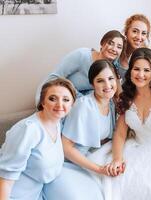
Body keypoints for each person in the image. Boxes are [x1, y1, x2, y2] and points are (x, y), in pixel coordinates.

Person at [89, 48, 151, 200]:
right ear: (130, 71)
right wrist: (117, 158)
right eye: (136, 69)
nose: (140, 74)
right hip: (135, 148)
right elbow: (120, 134)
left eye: (146, 70)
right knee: (117, 178)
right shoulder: (126, 97)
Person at [43, 59, 119, 200]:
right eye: (100, 80)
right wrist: (99, 169)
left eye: (110, 78)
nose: (107, 85)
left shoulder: (112, 104)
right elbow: (66, 148)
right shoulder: (84, 105)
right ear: (92, 84)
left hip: (92, 159)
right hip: (68, 164)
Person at [0, 78, 76, 200]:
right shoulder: (28, 130)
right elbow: (5, 179)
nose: (60, 105)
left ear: (72, 105)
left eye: (66, 100)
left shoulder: (57, 123)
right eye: (52, 98)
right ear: (43, 102)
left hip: (36, 194)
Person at [36, 30, 125, 103]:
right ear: (102, 43)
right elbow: (55, 77)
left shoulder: (112, 67)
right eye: (110, 43)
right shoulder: (82, 55)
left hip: (79, 102)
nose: (114, 49)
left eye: (119, 47)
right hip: (54, 95)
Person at [114, 14, 151, 80]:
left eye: (143, 33)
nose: (139, 37)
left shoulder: (148, 57)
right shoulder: (117, 50)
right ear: (126, 32)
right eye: (135, 31)